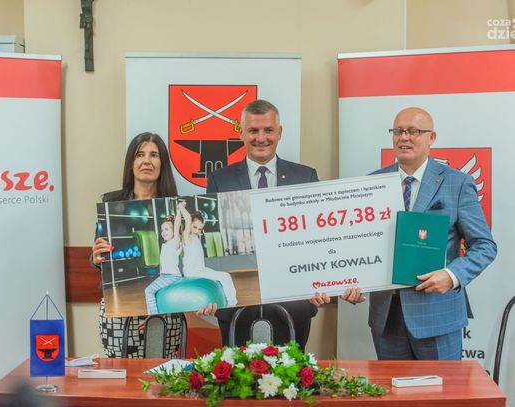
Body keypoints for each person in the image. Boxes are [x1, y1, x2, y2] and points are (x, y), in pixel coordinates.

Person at [312, 107, 497, 360]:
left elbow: (485, 246)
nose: (404, 137)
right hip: (387, 318)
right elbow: (360, 246)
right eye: (398, 131)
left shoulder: (457, 183)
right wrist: (352, 282)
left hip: (438, 316)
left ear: (431, 137)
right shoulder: (371, 185)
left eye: (413, 131)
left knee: (442, 387)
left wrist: (452, 275)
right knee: (393, 387)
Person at [206, 99, 319, 350]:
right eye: (253, 130)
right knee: (238, 375)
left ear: (280, 132)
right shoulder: (219, 179)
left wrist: (321, 283)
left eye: (268, 130)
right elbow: (213, 244)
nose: (261, 138)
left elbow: (316, 239)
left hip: (293, 304)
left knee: (291, 373)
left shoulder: (305, 177)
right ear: (241, 133)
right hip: (237, 304)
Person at [90, 132, 183, 358]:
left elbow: (182, 260)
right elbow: (99, 258)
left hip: (165, 307)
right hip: (119, 308)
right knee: (121, 374)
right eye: (140, 155)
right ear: (131, 163)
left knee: (163, 374)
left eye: (154, 155)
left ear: (163, 164)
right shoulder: (111, 204)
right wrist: (96, 257)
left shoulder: (176, 208)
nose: (146, 161)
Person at [178, 202, 238, 307]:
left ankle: (229, 300)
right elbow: (188, 218)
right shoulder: (187, 237)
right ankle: (232, 303)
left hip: (200, 270)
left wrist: (199, 216)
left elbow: (200, 222)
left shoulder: (195, 237)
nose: (197, 231)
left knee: (224, 276)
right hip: (193, 272)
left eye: (199, 229)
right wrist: (181, 207)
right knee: (226, 276)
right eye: (194, 227)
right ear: (189, 224)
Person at [144, 213, 183, 314]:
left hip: (172, 276)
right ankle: (152, 313)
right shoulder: (165, 245)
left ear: (174, 231)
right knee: (153, 291)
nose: (163, 232)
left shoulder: (175, 243)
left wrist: (179, 211)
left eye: (166, 229)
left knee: (148, 291)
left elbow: (177, 224)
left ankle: (154, 315)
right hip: (164, 276)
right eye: (162, 230)